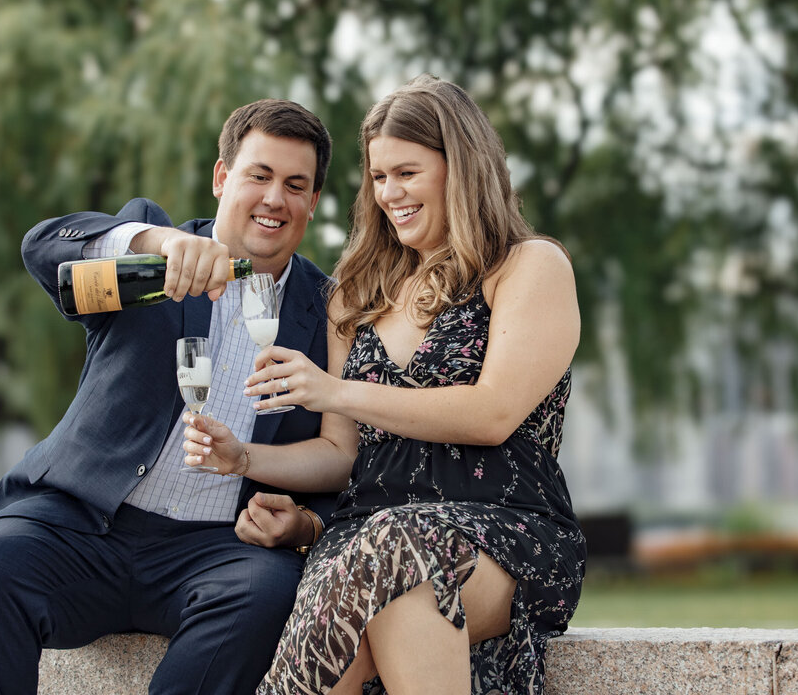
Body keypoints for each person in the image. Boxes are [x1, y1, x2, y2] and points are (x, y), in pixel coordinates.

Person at [184, 74, 588, 694]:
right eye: (377, 177)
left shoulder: (528, 267)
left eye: (407, 173)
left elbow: (492, 413)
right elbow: (343, 455)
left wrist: (335, 390)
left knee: (395, 554)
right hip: (367, 545)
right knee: (391, 574)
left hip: (500, 531)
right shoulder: (357, 290)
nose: (389, 193)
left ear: (461, 168)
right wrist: (246, 460)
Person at [0, 99, 339, 695]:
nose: (274, 199)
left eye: (295, 184)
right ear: (222, 177)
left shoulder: (329, 310)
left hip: (219, 547)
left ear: (312, 203)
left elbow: (350, 456)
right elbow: (44, 248)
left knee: (268, 593)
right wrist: (155, 242)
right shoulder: (149, 253)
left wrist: (305, 524)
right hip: (82, 524)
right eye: (258, 175)